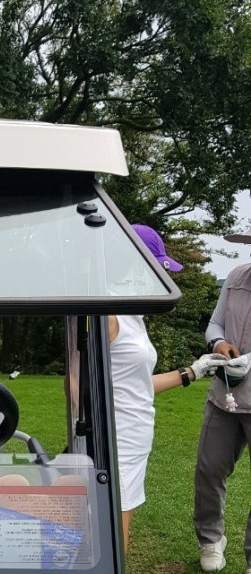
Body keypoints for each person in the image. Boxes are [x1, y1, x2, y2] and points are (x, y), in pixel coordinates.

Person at [110, 225, 227, 552]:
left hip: (134, 437)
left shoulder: (133, 316)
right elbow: (78, 382)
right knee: (116, 527)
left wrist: (193, 371)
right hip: (116, 437)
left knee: (123, 515)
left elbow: (134, 384)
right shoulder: (108, 314)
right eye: (156, 269)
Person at [194, 255, 251, 574]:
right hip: (225, 393)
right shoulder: (236, 277)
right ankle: (211, 539)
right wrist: (218, 343)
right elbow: (215, 323)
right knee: (210, 468)